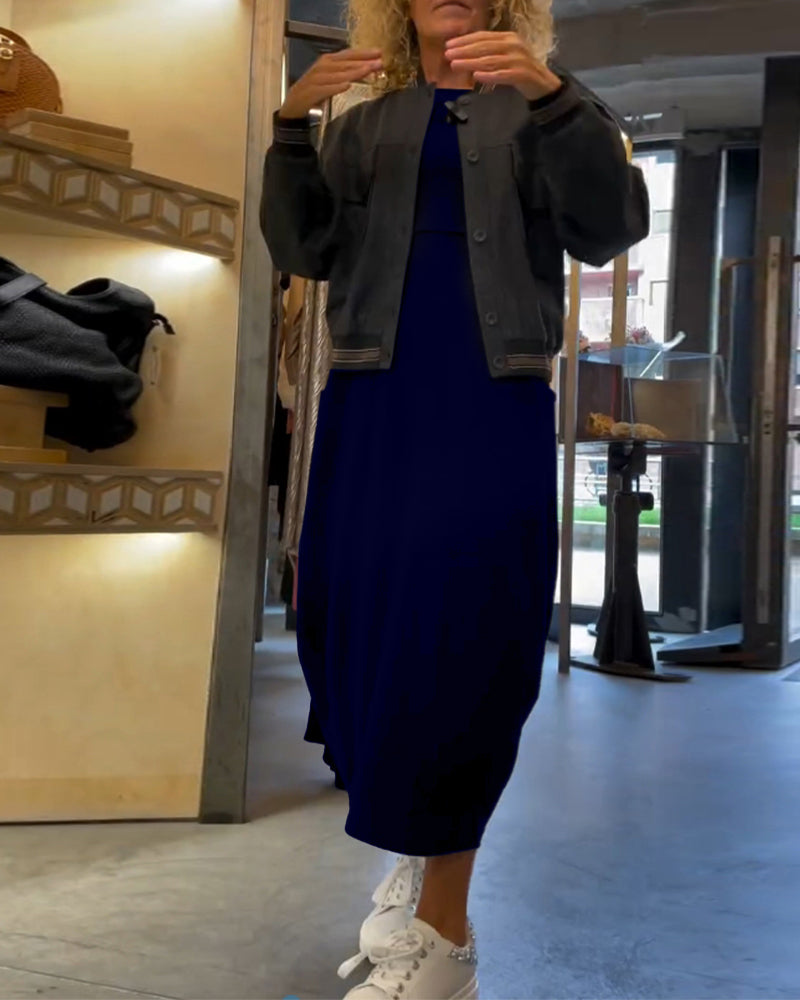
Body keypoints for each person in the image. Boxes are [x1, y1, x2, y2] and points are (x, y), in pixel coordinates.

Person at [261, 0, 649, 996]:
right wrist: (290, 128)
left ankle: (446, 933)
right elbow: (304, 250)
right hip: (371, 396)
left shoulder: (550, 104)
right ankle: (416, 848)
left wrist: (552, 98)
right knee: (352, 621)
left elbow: (608, 229)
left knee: (465, 633)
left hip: (487, 399)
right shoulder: (361, 123)